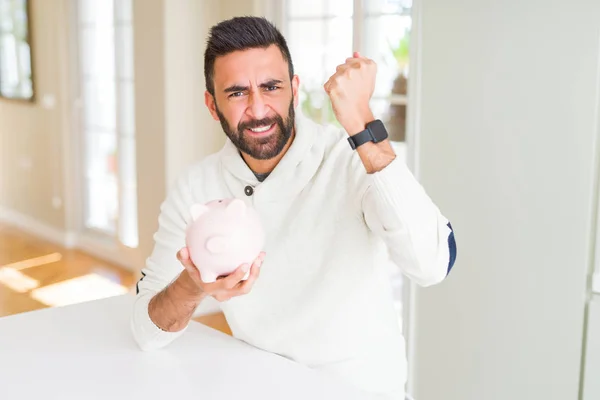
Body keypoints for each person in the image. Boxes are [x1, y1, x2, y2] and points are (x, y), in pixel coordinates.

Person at [131, 16, 457, 400]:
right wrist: (193, 285)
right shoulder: (197, 188)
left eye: (271, 87)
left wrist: (361, 121)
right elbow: (145, 331)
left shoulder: (351, 157)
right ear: (212, 104)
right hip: (264, 388)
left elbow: (434, 263)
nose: (257, 109)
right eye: (236, 93)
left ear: (294, 90)